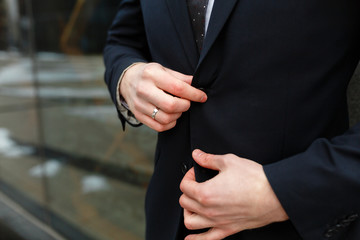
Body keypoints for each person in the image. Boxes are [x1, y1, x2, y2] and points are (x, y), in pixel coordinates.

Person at [103, 0, 360, 239]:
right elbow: (122, 40)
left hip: (290, 228)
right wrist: (128, 77)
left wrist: (281, 192)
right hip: (167, 222)